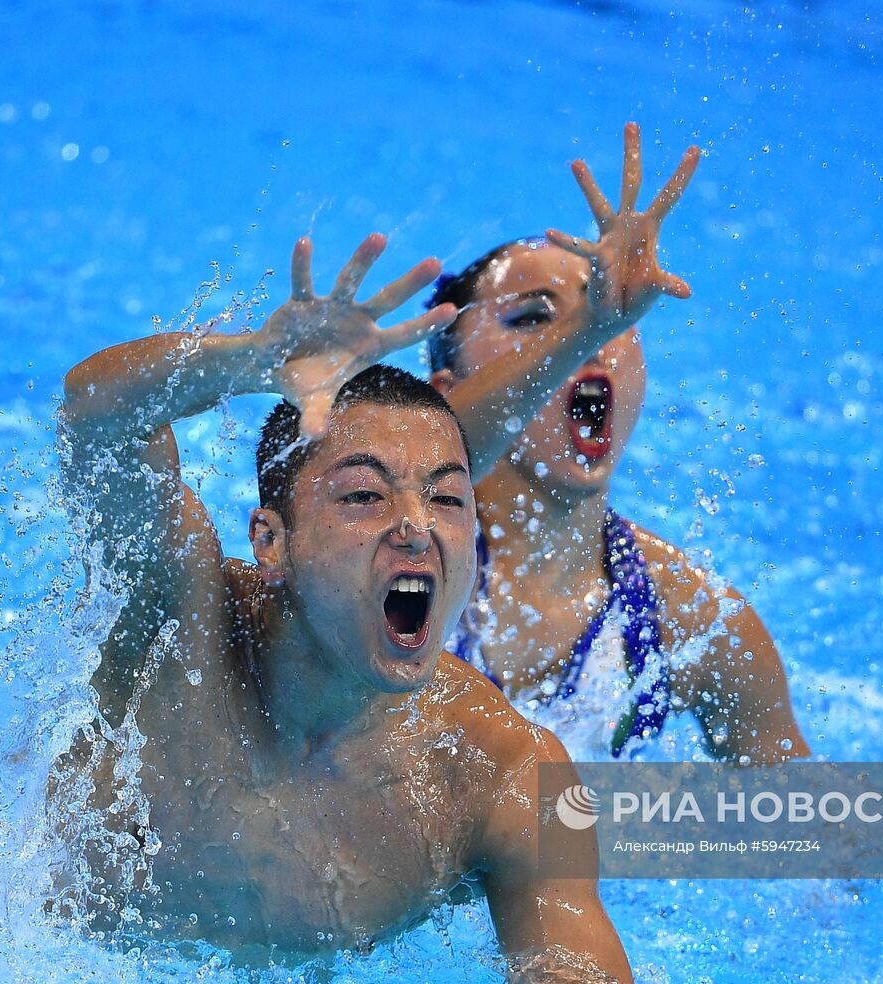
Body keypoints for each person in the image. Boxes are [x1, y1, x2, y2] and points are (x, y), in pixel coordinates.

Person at [56, 233, 632, 980]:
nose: (416, 527)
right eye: (364, 495)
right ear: (272, 542)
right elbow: (95, 417)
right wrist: (250, 362)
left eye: (448, 498)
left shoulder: (506, 772)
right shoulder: (183, 620)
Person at [429, 123, 810, 763]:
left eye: (609, 314)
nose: (592, 333)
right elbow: (438, 443)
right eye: (533, 316)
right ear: (449, 387)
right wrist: (584, 329)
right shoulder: (394, 557)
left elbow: (818, 839)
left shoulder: (689, 619)